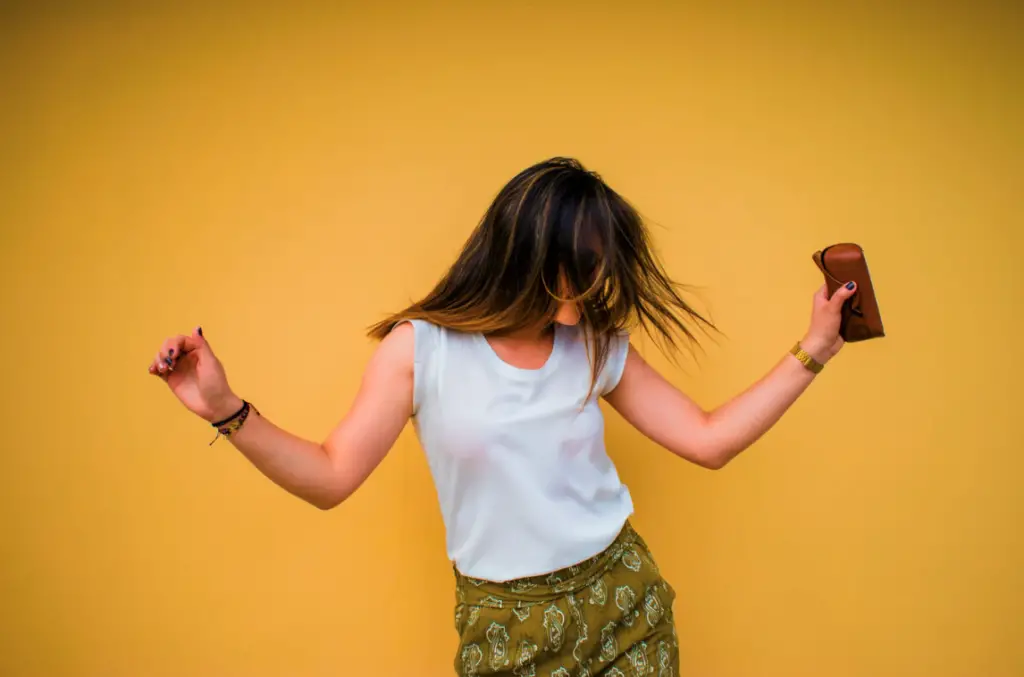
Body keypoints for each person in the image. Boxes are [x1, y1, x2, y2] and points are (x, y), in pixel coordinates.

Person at [148, 157, 857, 676]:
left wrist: (816, 348)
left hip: (625, 608)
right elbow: (332, 476)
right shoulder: (419, 350)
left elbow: (708, 439)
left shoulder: (595, 344)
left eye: (603, 262)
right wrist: (227, 411)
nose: (599, 278)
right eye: (585, 261)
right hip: (504, 626)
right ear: (527, 255)